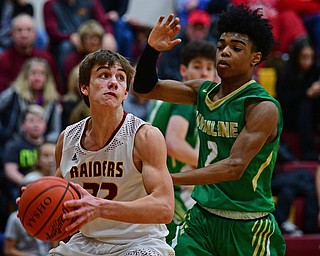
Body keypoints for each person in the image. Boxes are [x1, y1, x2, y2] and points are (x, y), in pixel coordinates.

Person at [133, 4, 286, 255]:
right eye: (221, 46)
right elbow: (145, 88)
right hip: (201, 218)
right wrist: (151, 50)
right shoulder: (203, 91)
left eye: (236, 48)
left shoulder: (261, 106)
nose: (224, 52)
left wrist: (169, 179)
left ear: (255, 58)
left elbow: (234, 167)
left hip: (247, 222)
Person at [44, 49, 175, 255]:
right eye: (104, 75)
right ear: (84, 87)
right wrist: (37, 202)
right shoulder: (67, 139)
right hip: (86, 241)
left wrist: (100, 208)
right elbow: (58, 200)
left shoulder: (144, 136)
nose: (113, 82)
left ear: (125, 92)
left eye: (120, 78)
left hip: (139, 242)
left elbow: (164, 208)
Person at [147, 39, 218, 244]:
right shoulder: (186, 100)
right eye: (197, 67)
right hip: (158, 185)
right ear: (183, 70)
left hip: (156, 181)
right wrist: (212, 167)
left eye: (209, 68)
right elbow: (174, 144)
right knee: (187, 242)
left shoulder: (170, 97)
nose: (204, 74)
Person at [3, 142, 56, 256]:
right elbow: (8, 250)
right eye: (46, 156)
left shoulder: (59, 179)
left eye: (53, 156)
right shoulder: (31, 180)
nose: (50, 160)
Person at [43, 0, 117, 80]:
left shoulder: (91, 2)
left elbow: (103, 22)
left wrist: (108, 34)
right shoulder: (51, 5)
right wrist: (69, 37)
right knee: (65, 47)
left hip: (89, 36)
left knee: (110, 41)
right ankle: (64, 84)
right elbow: (52, 31)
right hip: (66, 42)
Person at [0, 57, 62, 151]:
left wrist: (44, 143)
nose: (37, 78)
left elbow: (55, 130)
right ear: (25, 76)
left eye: (42, 74)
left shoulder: (52, 99)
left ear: (47, 78)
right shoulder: (13, 93)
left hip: (41, 146)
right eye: (33, 73)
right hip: (13, 143)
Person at [276, 37, 320, 161]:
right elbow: (284, 101)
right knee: (305, 104)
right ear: (296, 56)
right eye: (304, 57)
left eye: (310, 57)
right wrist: (307, 93)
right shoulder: (284, 71)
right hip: (290, 115)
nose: (308, 62)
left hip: (312, 114)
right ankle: (308, 152)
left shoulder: (316, 69)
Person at [2, 104, 47, 221]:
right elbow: (10, 171)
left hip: (48, 187)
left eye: (40, 121)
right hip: (22, 187)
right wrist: (29, 183)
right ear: (23, 125)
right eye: (31, 121)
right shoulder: (14, 145)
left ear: (45, 125)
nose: (36, 124)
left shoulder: (50, 146)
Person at [0, 14, 62, 94]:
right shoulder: (3, 60)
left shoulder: (46, 58)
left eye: (29, 30)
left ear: (35, 34)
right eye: (19, 30)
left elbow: (56, 88)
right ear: (11, 35)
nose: (24, 35)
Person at [157, 8, 213, 80]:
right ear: (187, 27)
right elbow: (168, 71)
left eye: (201, 29)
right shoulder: (174, 43)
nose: (197, 33)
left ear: (207, 31)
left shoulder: (211, 46)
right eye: (194, 28)